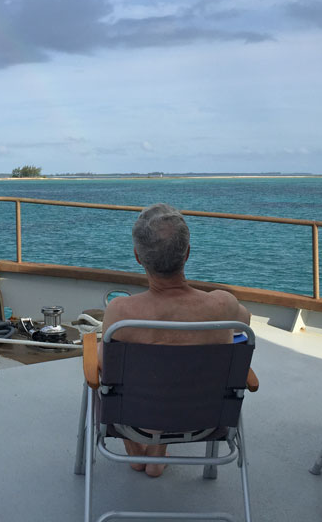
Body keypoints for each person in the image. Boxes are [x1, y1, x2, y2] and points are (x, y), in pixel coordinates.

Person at [100, 203, 251, 477]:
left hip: (136, 421)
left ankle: (137, 454)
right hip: (205, 420)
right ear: (187, 254)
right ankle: (159, 451)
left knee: (104, 370)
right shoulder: (223, 305)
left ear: (138, 257)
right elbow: (246, 323)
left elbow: (104, 368)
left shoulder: (121, 312)